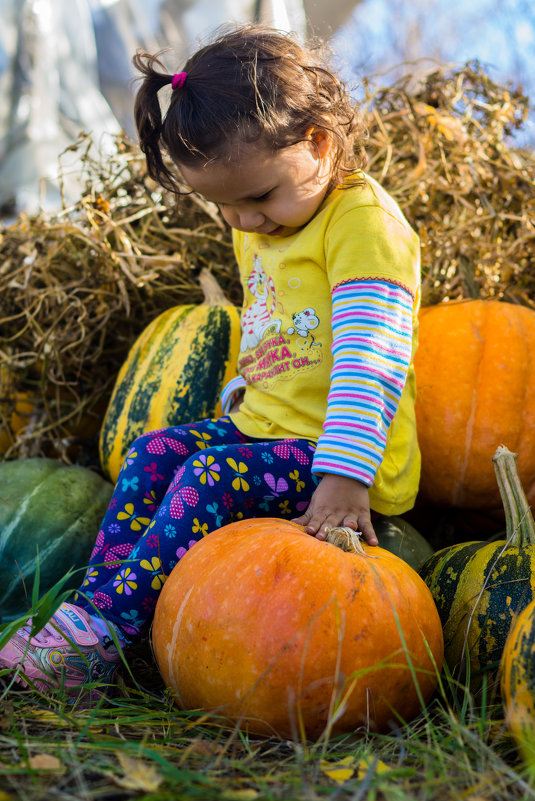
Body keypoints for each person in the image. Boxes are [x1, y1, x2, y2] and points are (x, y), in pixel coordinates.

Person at [0, 23, 421, 696]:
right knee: (153, 453)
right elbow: (276, 333)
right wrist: (239, 399)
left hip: (338, 453)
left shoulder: (361, 222)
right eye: (221, 205)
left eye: (256, 197)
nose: (242, 221)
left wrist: (346, 475)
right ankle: (98, 613)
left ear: (318, 140)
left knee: (209, 475)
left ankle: (104, 635)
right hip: (270, 430)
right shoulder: (268, 223)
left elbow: (373, 355)